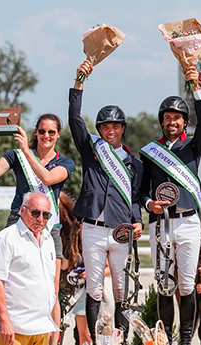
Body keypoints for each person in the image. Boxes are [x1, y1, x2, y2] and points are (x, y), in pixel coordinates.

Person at [0, 112, 75, 343]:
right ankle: (4, 326)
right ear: (36, 132)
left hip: (49, 223)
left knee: (52, 286)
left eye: (51, 132)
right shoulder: (17, 155)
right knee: (1, 277)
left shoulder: (65, 162)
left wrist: (26, 151)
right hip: (19, 218)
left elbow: (48, 179)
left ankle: (53, 339)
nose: (46, 136)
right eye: (42, 131)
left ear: (58, 135)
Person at [68, 60, 144, 341]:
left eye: (115, 125)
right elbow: (75, 120)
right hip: (92, 228)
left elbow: (134, 198)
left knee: (121, 288)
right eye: (105, 126)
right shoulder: (92, 151)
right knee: (94, 287)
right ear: (99, 129)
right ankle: (97, 339)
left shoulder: (134, 164)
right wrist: (79, 82)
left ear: (122, 128)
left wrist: (138, 221)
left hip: (120, 230)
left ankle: (120, 337)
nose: (110, 130)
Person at [139, 66, 201, 344]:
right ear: (162, 121)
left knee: (186, 283)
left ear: (184, 122)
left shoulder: (193, 147)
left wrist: (195, 87)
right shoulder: (149, 153)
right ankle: (166, 339)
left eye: (177, 118)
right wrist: (148, 204)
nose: (172, 122)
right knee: (164, 284)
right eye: (168, 117)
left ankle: (184, 340)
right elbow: (140, 192)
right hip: (160, 223)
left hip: (189, 221)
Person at [0, 192, 59, 345]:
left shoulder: (48, 240)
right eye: (35, 213)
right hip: (14, 330)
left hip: (42, 328)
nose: (40, 219)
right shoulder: (5, 239)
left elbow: (50, 284)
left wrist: (53, 322)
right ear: (22, 210)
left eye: (45, 215)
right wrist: (4, 321)